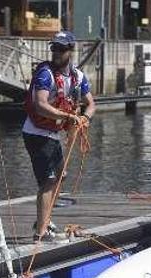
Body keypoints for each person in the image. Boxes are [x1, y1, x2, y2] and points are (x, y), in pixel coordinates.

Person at [22, 30, 96, 242]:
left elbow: (91, 104)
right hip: (36, 132)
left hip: (53, 133)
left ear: (70, 51)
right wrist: (67, 116)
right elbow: (40, 104)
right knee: (49, 180)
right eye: (53, 47)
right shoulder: (45, 74)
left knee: (60, 177)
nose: (56, 52)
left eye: (61, 48)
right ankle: (41, 233)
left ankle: (44, 220)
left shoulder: (78, 76)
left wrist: (85, 119)